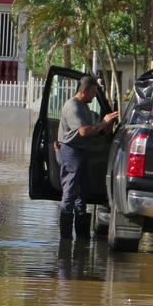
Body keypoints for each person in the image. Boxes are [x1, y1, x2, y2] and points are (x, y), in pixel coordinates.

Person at [55, 74, 120, 239]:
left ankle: (82, 239)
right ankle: (66, 240)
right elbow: (84, 131)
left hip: (81, 152)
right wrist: (104, 122)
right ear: (84, 91)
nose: (94, 95)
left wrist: (105, 127)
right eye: (93, 92)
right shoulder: (73, 106)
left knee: (81, 195)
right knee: (69, 193)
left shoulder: (84, 106)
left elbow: (93, 129)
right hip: (70, 152)